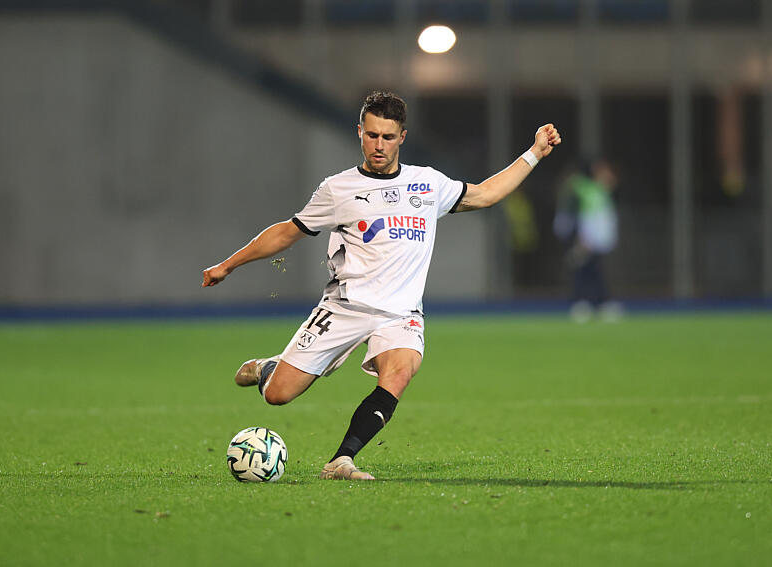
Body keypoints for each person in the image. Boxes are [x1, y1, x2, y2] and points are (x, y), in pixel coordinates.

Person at [202, 91, 561, 480]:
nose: (378, 145)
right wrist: (228, 264)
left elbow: (486, 194)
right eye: (371, 135)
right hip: (344, 307)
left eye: (387, 137)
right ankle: (270, 368)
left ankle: (341, 460)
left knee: (401, 371)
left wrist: (535, 153)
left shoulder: (427, 184)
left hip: (400, 314)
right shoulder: (337, 189)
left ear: (402, 137)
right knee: (279, 395)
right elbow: (287, 234)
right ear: (360, 132)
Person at [553, 157, 621, 322]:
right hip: (581, 236)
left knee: (592, 268)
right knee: (584, 269)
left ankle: (595, 302)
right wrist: (579, 237)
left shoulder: (597, 189)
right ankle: (585, 303)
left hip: (593, 238)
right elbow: (574, 212)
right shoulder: (581, 187)